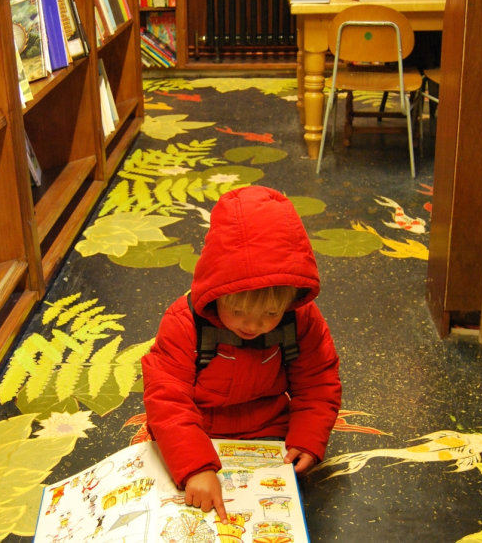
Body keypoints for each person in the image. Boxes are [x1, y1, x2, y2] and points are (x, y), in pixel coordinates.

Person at [141, 185, 342, 525]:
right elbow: (167, 399)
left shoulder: (301, 317)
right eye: (237, 311)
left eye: (270, 315)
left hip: (270, 435)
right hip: (196, 433)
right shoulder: (183, 322)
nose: (253, 326)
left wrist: (308, 439)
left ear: (290, 300)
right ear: (215, 291)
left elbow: (319, 380)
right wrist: (194, 466)